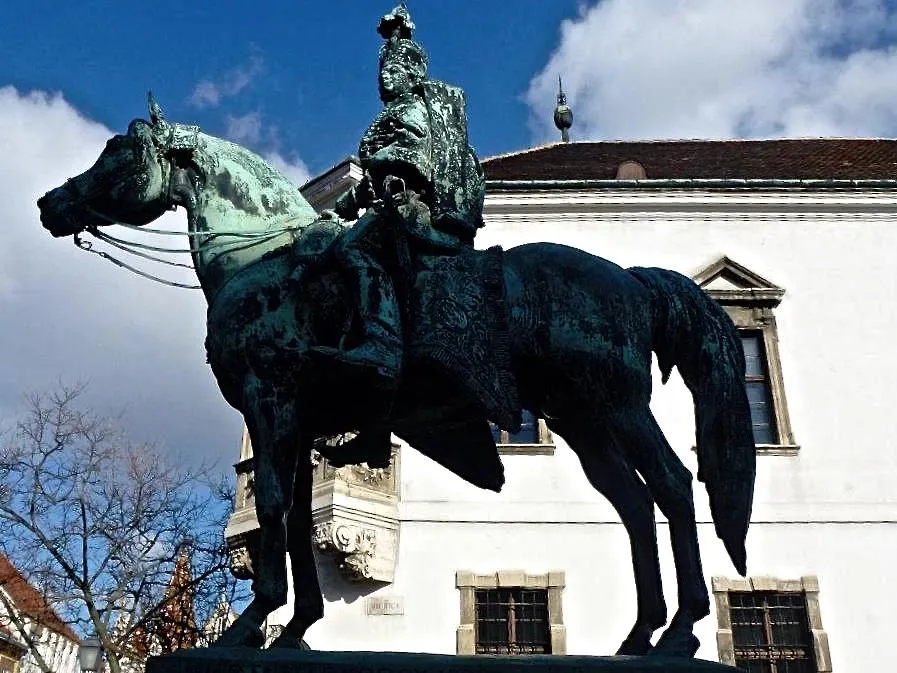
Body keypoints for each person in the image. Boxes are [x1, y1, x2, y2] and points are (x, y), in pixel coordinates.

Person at [312, 4, 483, 388]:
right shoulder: (401, 109)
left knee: (353, 249)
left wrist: (376, 165)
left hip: (412, 208)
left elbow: (413, 154)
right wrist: (343, 206)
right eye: (382, 74)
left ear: (412, 74)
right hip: (395, 203)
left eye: (392, 71)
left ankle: (382, 341)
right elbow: (376, 179)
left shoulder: (415, 109)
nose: (385, 79)